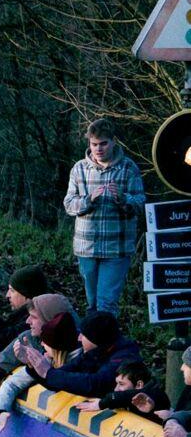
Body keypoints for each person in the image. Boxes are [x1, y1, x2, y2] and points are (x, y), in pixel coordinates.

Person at [63, 118, 146, 314]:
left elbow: (141, 203)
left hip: (116, 249)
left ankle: (107, 334)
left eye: (103, 144)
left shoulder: (128, 168)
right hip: (87, 248)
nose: (98, 149)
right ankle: (93, 334)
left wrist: (123, 199)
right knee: (92, 304)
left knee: (106, 305)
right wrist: (89, 199)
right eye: (94, 144)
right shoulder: (79, 169)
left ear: (113, 142)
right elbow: (69, 204)